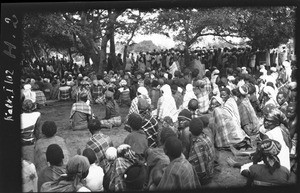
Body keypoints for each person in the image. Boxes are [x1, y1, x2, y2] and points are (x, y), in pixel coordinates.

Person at [188, 118, 215, 186]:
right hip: (210, 171)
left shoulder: (197, 145)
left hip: (204, 178)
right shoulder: (206, 137)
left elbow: (196, 169)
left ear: (190, 130)